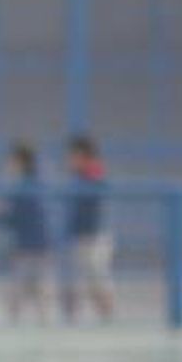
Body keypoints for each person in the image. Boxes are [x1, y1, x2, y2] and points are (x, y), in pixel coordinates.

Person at [64, 133, 113, 322]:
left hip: (94, 238)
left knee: (97, 280)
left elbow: (95, 189)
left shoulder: (94, 172)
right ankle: (73, 318)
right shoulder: (78, 176)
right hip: (80, 237)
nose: (69, 160)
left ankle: (107, 316)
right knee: (78, 282)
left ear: (82, 155)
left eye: (73, 155)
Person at [4, 141, 52, 323]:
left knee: (36, 290)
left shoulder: (29, 185)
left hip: (33, 247)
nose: (9, 165)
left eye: (12, 161)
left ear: (21, 162)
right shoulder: (24, 184)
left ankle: (44, 326)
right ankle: (16, 323)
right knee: (21, 292)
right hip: (29, 246)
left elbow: (14, 215)